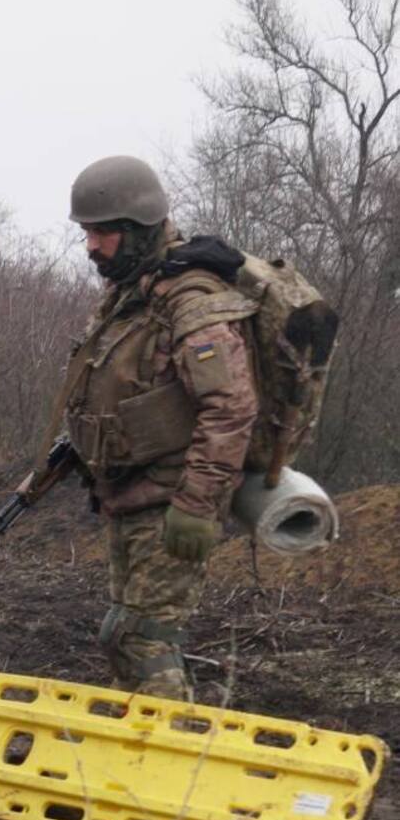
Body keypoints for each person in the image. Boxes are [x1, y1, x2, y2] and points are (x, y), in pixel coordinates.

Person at [54, 155, 259, 699]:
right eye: (87, 233)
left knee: (145, 640)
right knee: (121, 637)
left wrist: (195, 506)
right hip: (129, 496)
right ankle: (134, 753)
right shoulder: (135, 292)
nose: (91, 246)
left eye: (102, 233)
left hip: (171, 503)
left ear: (139, 229)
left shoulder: (192, 303)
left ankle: (178, 756)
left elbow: (231, 408)